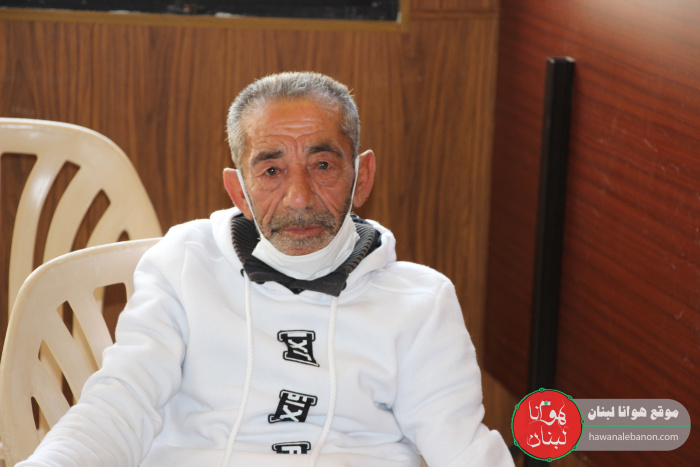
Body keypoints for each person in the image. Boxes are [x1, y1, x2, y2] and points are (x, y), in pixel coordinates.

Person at [18, 72, 514, 466]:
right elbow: (120, 405)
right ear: (238, 191)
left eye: (323, 166)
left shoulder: (421, 301)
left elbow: (461, 447)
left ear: (362, 178)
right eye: (272, 171)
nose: (299, 197)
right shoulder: (183, 264)